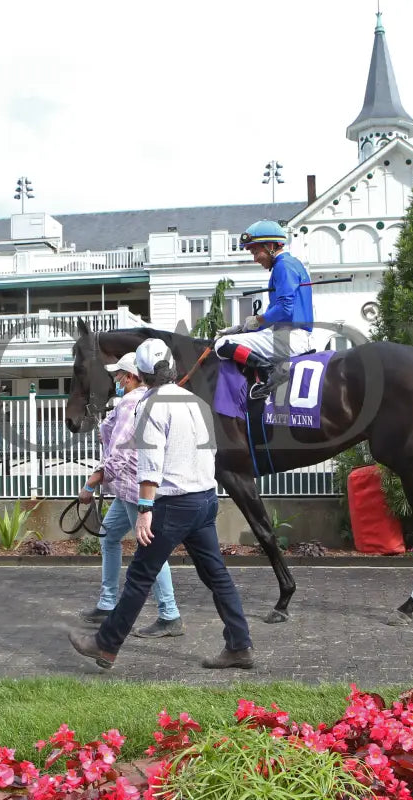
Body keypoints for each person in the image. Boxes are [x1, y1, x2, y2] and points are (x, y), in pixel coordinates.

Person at [68, 338, 255, 670]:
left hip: (174, 504)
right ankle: (239, 644)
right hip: (204, 499)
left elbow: (150, 464)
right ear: (171, 367)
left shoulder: (149, 406)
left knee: (140, 575)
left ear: (140, 372)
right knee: (217, 575)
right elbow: (210, 451)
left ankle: (106, 644)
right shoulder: (196, 402)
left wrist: (144, 510)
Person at [76, 351, 184, 638]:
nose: (117, 380)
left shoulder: (130, 403)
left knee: (150, 550)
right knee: (110, 535)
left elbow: (121, 450)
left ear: (133, 376)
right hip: (131, 486)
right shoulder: (146, 399)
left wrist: (92, 482)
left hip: (132, 487)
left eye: (120, 375)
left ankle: (170, 613)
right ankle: (108, 603)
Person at [214, 220, 314, 399]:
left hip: (289, 338)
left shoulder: (283, 266)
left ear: (270, 246)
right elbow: (273, 314)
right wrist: (241, 328)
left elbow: (285, 308)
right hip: (288, 335)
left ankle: (268, 373)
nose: (255, 259)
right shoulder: (288, 264)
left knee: (223, 344)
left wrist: (257, 321)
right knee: (231, 339)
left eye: (255, 252)